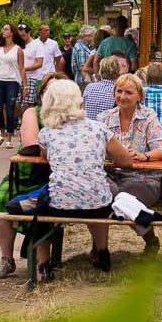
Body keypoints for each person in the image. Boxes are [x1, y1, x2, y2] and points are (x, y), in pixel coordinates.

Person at [27, 80, 136, 282]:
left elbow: (46, 158)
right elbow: (126, 161)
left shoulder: (47, 133)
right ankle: (102, 252)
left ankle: (43, 265)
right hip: (97, 205)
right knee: (99, 194)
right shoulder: (99, 129)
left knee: (40, 210)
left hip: (59, 204)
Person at [0, 73, 65, 279]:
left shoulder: (71, 117)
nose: (53, 96)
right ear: (41, 95)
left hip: (55, 177)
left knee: (45, 206)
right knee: (3, 199)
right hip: (26, 173)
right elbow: (31, 145)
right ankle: (6, 258)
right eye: (48, 91)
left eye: (58, 91)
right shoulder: (33, 113)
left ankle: (42, 263)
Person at [97, 74, 162, 254]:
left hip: (142, 178)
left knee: (122, 201)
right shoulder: (103, 118)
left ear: (140, 96)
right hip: (111, 176)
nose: (122, 96)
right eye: (119, 91)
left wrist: (144, 156)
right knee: (103, 197)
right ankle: (99, 249)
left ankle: (150, 240)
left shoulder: (148, 116)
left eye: (129, 92)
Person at [0, 23, 27, 148]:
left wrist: (25, 86)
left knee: (10, 109)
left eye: (6, 29)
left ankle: (9, 137)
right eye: (3, 29)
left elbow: (22, 68)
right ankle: (2, 133)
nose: (3, 31)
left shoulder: (18, 49)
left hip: (12, 82)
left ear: (12, 32)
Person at [18, 24, 44, 109]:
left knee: (27, 103)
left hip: (31, 77)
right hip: (18, 77)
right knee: (16, 103)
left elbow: (39, 63)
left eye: (23, 35)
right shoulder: (18, 45)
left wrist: (23, 69)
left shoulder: (37, 45)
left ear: (29, 33)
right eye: (20, 36)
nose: (21, 38)